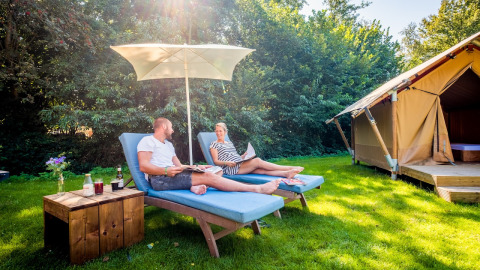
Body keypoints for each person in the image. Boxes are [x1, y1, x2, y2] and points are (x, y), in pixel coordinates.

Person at [137, 117, 280, 195]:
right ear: (163, 127)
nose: (173, 130)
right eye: (171, 127)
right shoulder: (148, 141)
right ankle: (257, 189)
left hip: (173, 174)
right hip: (160, 179)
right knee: (210, 177)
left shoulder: (168, 145)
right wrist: (166, 171)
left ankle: (196, 185)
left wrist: (198, 167)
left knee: (216, 170)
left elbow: (179, 166)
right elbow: (144, 166)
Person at [210, 122, 304, 179]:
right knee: (257, 161)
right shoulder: (214, 144)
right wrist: (227, 163)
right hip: (229, 168)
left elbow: (234, 156)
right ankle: (289, 168)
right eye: (216, 131)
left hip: (238, 163)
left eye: (220, 131)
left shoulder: (229, 143)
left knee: (261, 170)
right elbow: (216, 161)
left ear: (225, 132)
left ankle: (286, 174)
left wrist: (243, 156)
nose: (218, 133)